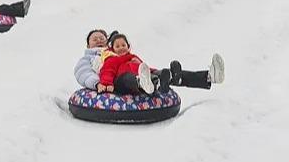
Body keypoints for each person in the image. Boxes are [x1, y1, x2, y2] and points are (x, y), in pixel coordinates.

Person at [74, 29, 225, 95]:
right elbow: (83, 73)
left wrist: (152, 70)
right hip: (115, 83)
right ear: (88, 45)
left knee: (164, 74)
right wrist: (98, 84)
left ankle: (209, 76)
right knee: (129, 78)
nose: (99, 40)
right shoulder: (90, 58)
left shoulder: (120, 51)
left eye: (102, 38)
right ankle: (147, 82)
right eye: (95, 39)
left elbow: (138, 63)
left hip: (140, 72)